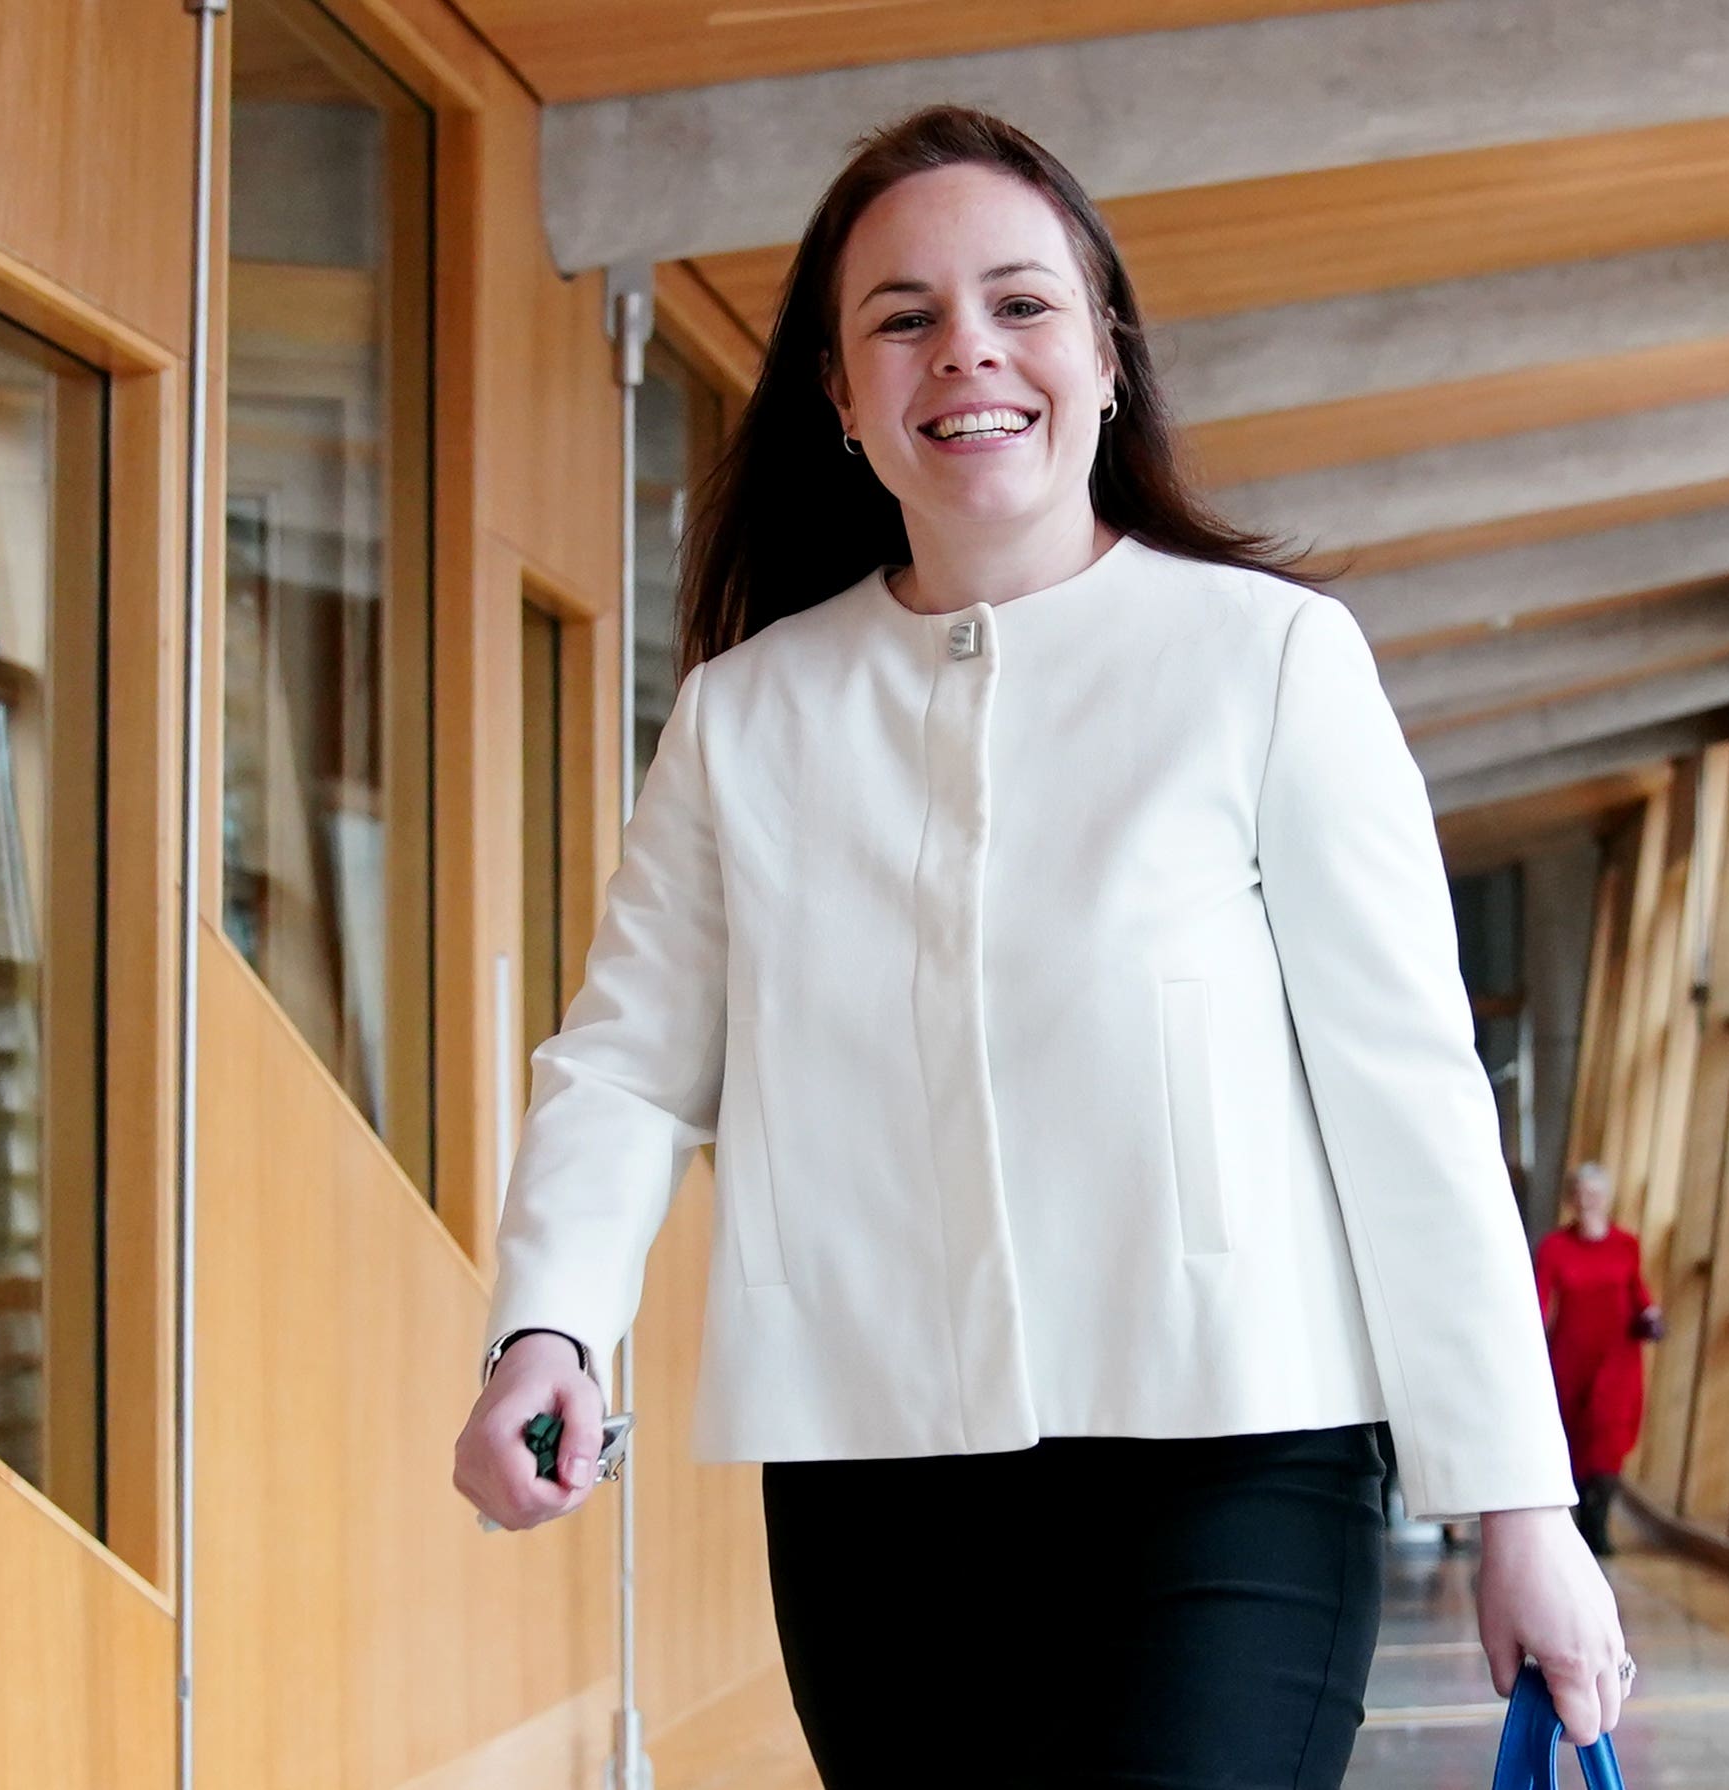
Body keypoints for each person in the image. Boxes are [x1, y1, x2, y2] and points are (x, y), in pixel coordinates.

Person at [452, 105, 1630, 1786]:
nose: (966, 354)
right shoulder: (743, 721)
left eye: (1019, 304)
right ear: (843, 400)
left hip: (1238, 1457)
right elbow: (633, 1058)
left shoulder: (1269, 661)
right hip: (873, 1485)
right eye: (903, 319)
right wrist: (547, 1325)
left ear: (1105, 356)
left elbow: (1408, 1093)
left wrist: (1520, 1505)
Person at [1534, 1162, 1662, 1556]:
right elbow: (1540, 1301)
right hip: (1571, 1358)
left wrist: (1650, 1314)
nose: (1589, 1202)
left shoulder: (1626, 1244)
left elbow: (1637, 1291)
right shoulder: (1555, 1247)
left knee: (1609, 1435)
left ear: (1607, 1199)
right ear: (1571, 1199)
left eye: (1596, 1194)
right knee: (1574, 1436)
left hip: (1618, 1358)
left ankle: (1598, 1523)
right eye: (1581, 1194)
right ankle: (1576, 1520)